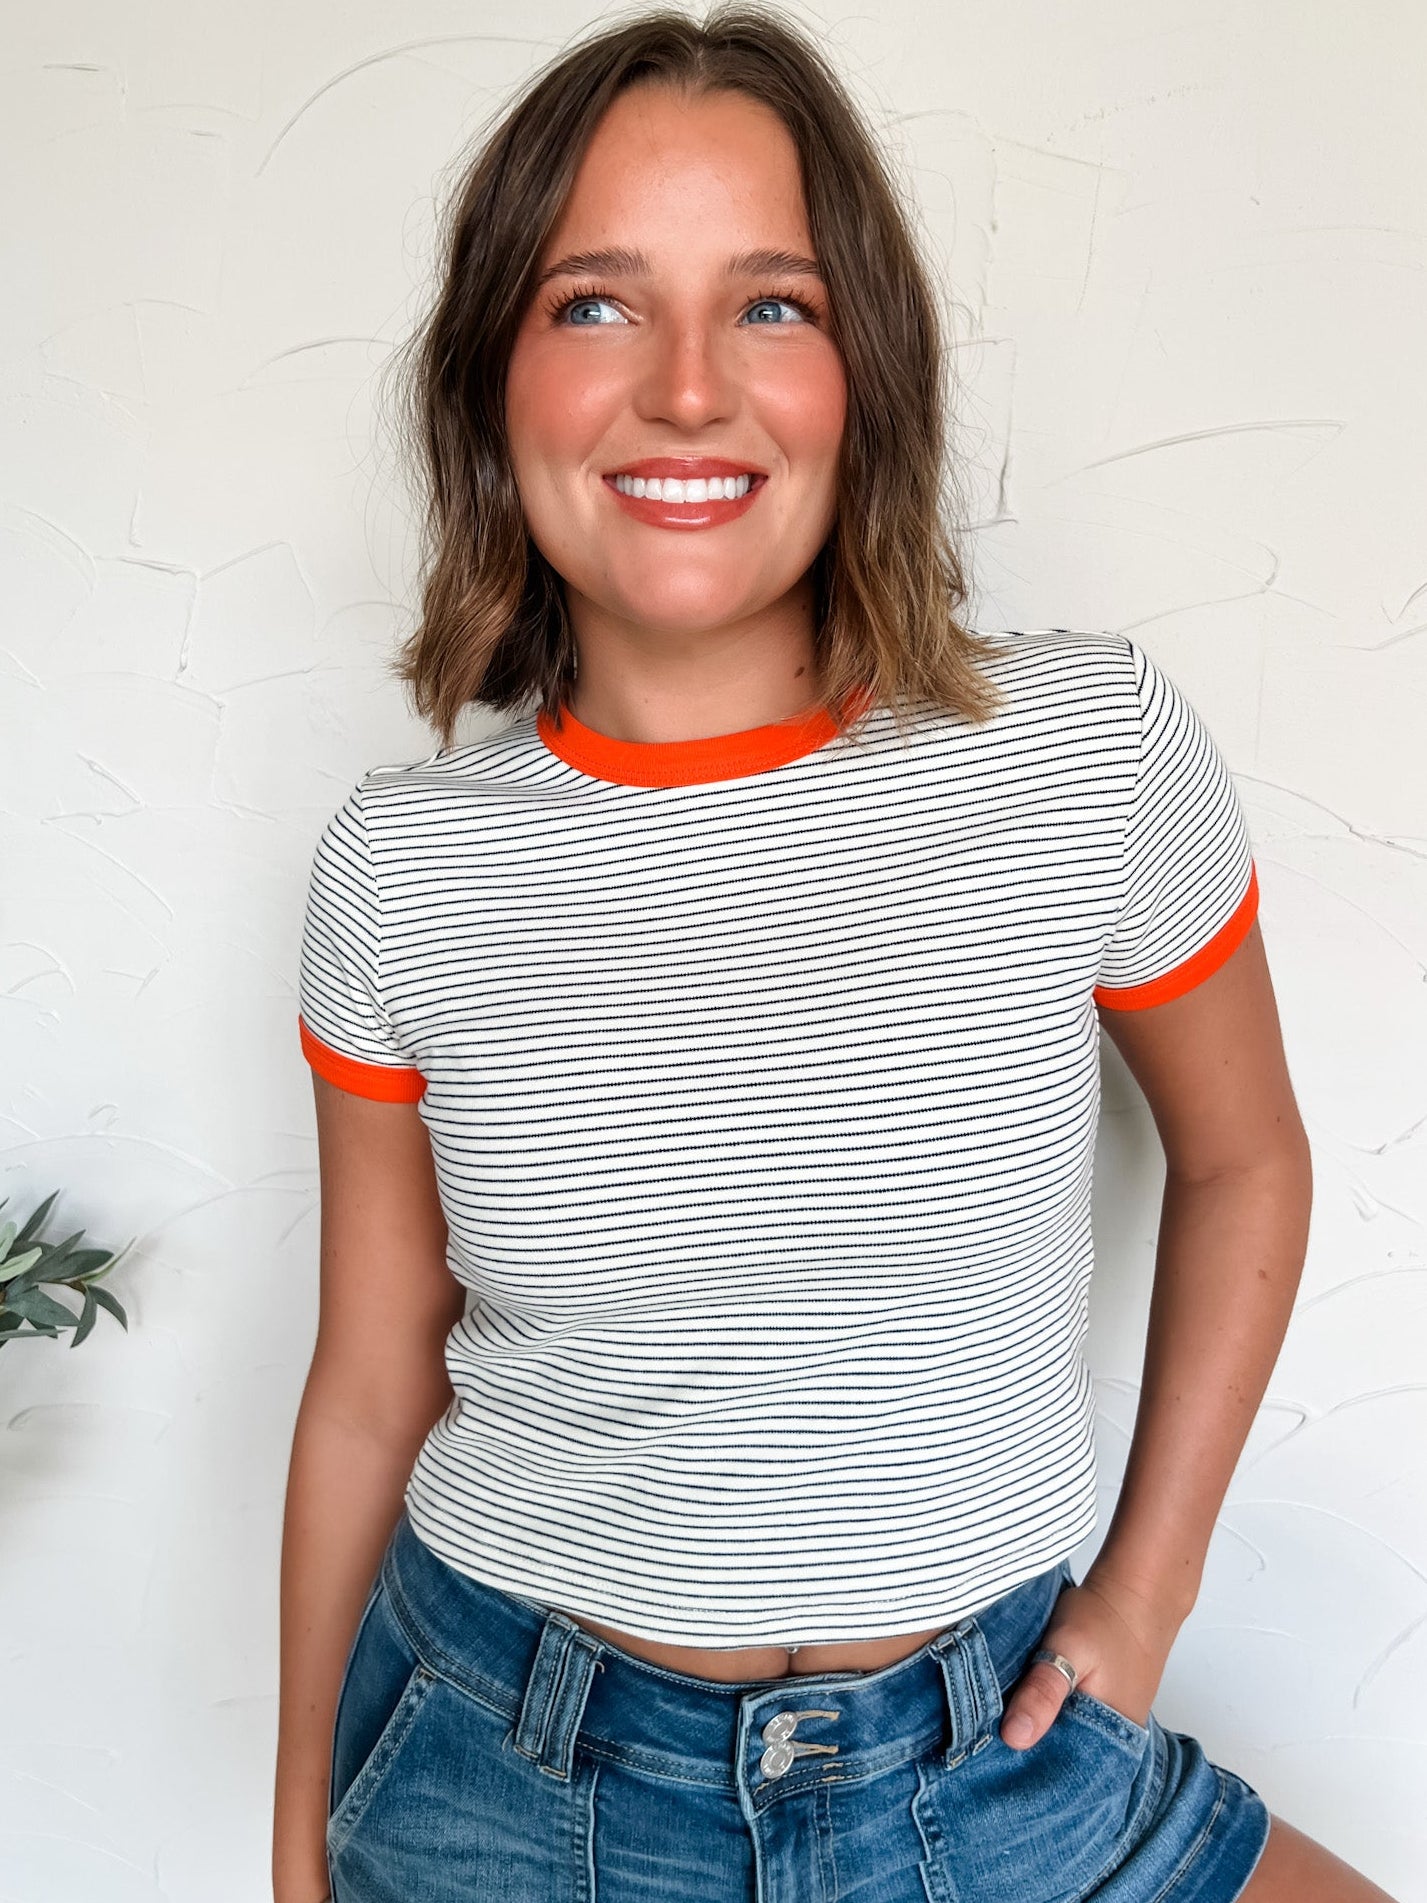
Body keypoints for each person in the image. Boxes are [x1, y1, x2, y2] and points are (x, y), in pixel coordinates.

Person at [272, 8, 1401, 1902]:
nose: (691, 390)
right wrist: (302, 1852)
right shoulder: (403, 868)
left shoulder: (1085, 756)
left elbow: (1244, 1156)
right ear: (493, 380)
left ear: (865, 369)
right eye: (598, 304)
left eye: (774, 307)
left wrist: (1145, 1593)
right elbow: (371, 1383)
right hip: (500, 1768)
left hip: (998, 1758)